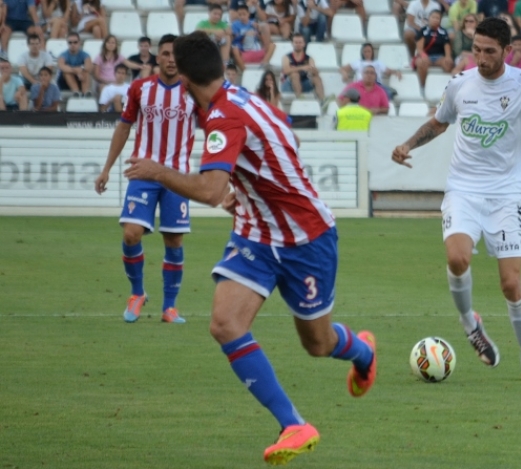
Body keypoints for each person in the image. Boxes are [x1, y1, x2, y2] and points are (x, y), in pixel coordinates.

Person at [122, 30, 378, 465]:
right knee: (225, 323)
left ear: (183, 79)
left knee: (316, 344)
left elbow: (207, 189)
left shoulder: (226, 117)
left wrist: (157, 171)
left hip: (307, 239)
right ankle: (294, 424)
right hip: (257, 235)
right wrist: (249, 193)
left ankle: (363, 351)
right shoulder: (236, 99)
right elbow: (282, 139)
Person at [391, 17, 521, 383]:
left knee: (511, 284)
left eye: (489, 51)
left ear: (507, 51)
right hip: (463, 190)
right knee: (457, 258)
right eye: (476, 50)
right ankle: (471, 324)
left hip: (506, 196)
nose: (481, 58)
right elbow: (439, 122)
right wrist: (408, 144)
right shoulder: (459, 85)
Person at [94, 34, 198, 325]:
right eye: (165, 54)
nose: (171, 59)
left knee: (174, 240)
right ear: (157, 57)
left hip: (177, 177)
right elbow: (124, 127)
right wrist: (106, 169)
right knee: (131, 233)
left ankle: (170, 308)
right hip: (143, 172)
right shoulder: (140, 89)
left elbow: (216, 127)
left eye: (176, 54)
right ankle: (137, 293)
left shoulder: (194, 92)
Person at [280, 33, 325, 102]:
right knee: (295, 74)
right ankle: (300, 99)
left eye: (300, 42)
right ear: (292, 44)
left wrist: (314, 71)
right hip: (288, 85)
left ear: (304, 44)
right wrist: (302, 67)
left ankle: (322, 101)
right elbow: (286, 71)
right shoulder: (287, 57)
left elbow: (314, 72)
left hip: (303, 84)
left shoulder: (309, 58)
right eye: (296, 42)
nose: (298, 44)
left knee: (316, 78)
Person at [415, 10, 453, 90]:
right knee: (421, 63)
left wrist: (448, 57)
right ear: (429, 18)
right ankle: (423, 86)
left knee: (449, 63)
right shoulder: (423, 30)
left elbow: (447, 46)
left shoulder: (443, 32)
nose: (435, 20)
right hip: (427, 56)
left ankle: (446, 88)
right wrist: (423, 56)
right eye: (433, 17)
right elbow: (419, 48)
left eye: (437, 18)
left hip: (439, 57)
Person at [230, 4, 275, 71]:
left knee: (272, 45)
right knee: (235, 50)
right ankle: (244, 70)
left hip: (255, 48)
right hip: (243, 50)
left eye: (244, 14)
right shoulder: (235, 24)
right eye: (240, 15)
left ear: (248, 14)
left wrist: (259, 31)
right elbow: (234, 40)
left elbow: (260, 38)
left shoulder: (253, 23)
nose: (242, 17)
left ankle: (264, 64)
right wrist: (245, 34)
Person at [57, 31, 93, 96]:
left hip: (81, 79)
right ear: (67, 43)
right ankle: (76, 92)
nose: (72, 44)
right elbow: (62, 66)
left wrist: (81, 70)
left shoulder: (85, 54)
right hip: (65, 83)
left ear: (79, 43)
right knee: (67, 72)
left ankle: (85, 93)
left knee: (86, 72)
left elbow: (88, 67)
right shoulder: (63, 55)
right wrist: (77, 71)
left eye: (75, 42)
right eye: (70, 42)